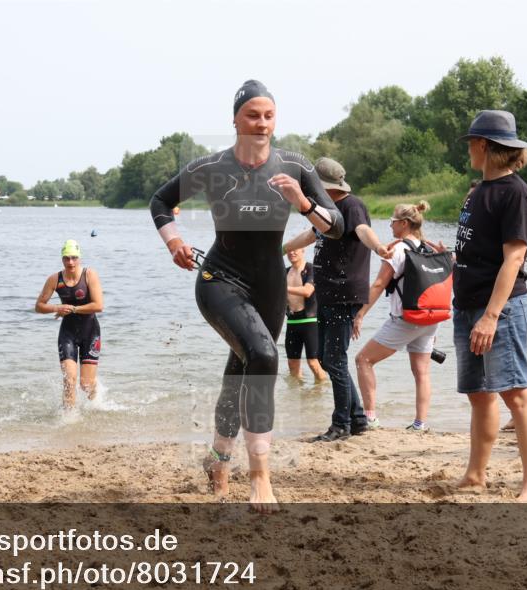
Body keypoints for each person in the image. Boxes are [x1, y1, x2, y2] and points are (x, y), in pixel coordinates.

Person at [149, 80, 345, 512]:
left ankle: (218, 458)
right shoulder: (213, 166)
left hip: (270, 286)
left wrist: (304, 204)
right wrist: (174, 242)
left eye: (268, 115)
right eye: (252, 115)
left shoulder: (294, 166)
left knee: (244, 366)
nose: (261, 123)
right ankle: (260, 477)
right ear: (235, 119)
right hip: (219, 278)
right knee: (264, 356)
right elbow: (160, 200)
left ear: (276, 120)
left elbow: (338, 225)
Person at [450, 110, 527, 502]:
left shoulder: (514, 193)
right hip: (467, 304)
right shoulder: (478, 191)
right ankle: (475, 474)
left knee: (515, 393)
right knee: (479, 393)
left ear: (485, 146)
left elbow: (514, 260)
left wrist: (490, 316)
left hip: (499, 311)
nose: (468, 148)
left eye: (472, 141)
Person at [283, 157, 390, 441]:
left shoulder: (351, 206)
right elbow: (310, 234)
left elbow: (363, 231)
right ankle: (356, 419)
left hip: (344, 293)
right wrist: (281, 249)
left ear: (323, 186)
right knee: (331, 361)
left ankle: (340, 424)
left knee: (334, 359)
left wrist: (379, 247)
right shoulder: (327, 209)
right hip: (328, 293)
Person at [353, 201, 438, 431]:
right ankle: (420, 424)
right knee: (422, 372)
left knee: (363, 360)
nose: (390, 225)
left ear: (404, 224)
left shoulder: (398, 250)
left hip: (406, 318)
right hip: (430, 318)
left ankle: (370, 418)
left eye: (392, 221)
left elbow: (380, 283)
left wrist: (360, 314)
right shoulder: (429, 248)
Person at [34, 240, 104, 409]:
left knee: (85, 385)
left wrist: (72, 309)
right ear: (62, 259)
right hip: (68, 333)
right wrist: (56, 307)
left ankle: (96, 405)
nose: (70, 262)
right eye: (66, 258)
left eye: (74, 258)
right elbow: (39, 306)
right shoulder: (54, 279)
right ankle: (68, 420)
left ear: (79, 258)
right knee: (69, 380)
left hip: (90, 332)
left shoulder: (89, 275)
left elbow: (98, 305)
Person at [284, 247, 326, 383]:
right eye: (289, 250)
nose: (292, 252)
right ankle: (297, 397)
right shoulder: (284, 272)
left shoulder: (312, 269)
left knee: (313, 363)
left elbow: (308, 291)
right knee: (292, 363)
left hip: (310, 321)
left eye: (296, 249)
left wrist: (282, 287)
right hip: (292, 321)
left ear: (303, 251)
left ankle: (322, 388)